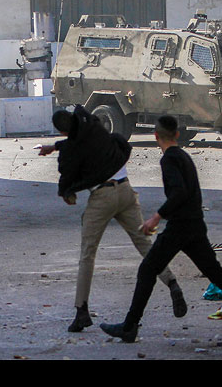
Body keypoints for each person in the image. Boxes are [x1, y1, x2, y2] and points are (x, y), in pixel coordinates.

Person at [99, 115, 222, 345]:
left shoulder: (169, 160)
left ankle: (129, 327)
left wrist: (155, 218)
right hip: (195, 225)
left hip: (180, 227)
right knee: (216, 274)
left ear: (156, 136)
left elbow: (178, 193)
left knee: (147, 270)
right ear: (177, 134)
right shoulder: (184, 156)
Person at [38, 105, 187, 333]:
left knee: (88, 253)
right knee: (144, 244)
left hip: (102, 197)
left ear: (62, 132)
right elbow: (81, 140)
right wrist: (55, 147)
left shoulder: (73, 149)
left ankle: (81, 311)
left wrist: (66, 191)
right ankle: (172, 283)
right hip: (126, 191)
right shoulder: (93, 126)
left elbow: (69, 167)